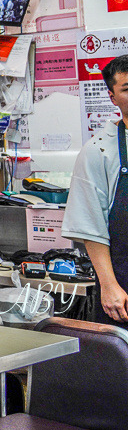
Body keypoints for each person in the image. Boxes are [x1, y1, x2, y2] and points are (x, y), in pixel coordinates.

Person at [64, 53, 128, 326]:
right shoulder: (98, 151)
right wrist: (109, 285)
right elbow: (91, 225)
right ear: (113, 97)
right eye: (127, 89)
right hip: (124, 283)